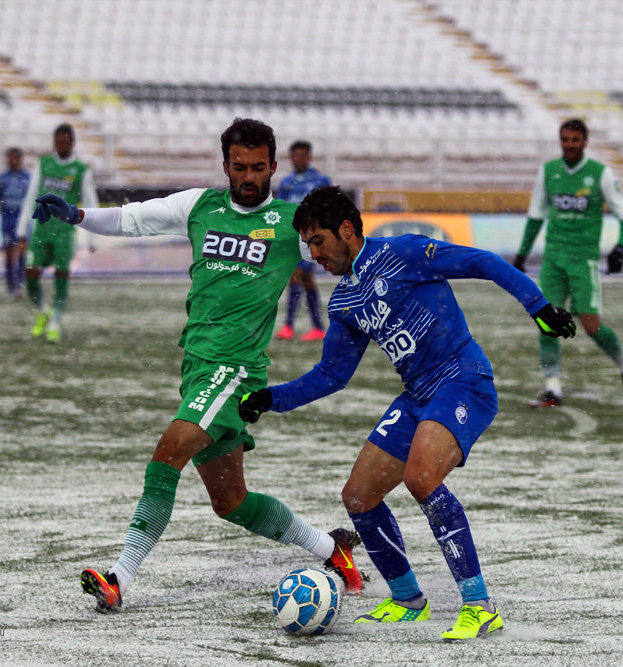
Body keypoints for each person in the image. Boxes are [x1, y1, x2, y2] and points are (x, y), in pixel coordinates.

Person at [31, 118, 363, 613]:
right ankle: (330, 549)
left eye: (257, 167)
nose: (248, 177)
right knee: (231, 503)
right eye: (238, 167)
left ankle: (119, 576)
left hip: (234, 371)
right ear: (225, 165)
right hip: (197, 368)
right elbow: (132, 219)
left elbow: (343, 250)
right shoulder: (199, 206)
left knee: (169, 451)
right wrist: (77, 215)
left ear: (273, 166)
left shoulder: (292, 224)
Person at [237, 186, 576, 640]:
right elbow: (331, 376)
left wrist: (539, 307)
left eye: (318, 241)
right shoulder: (342, 304)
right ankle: (407, 599)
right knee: (358, 497)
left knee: (421, 477)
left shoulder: (405, 252)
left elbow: (483, 262)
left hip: (463, 380)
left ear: (345, 230)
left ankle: (479, 605)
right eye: (307, 245)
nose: (312, 254)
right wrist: (270, 398)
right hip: (417, 396)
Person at [513, 118, 623, 407]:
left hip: (584, 260)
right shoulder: (548, 172)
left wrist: (620, 247)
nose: (569, 145)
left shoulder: (600, 174)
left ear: (585, 142)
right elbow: (536, 214)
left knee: (591, 325)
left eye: (575, 140)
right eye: (565, 140)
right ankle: (553, 388)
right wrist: (522, 253)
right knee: (546, 321)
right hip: (554, 258)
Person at [17, 123, 98, 343]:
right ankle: (44, 310)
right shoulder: (43, 165)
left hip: (65, 232)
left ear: (72, 143)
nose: (60, 146)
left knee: (61, 277)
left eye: (64, 142)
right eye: (57, 142)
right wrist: (22, 232)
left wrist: (93, 236)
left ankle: (54, 324)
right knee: (31, 274)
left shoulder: (81, 170)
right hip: (42, 229)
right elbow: (30, 197)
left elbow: (90, 202)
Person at [274, 140, 331, 342]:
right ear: (291, 158)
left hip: (312, 237)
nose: (299, 159)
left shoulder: (320, 180)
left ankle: (288, 325)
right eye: (295, 156)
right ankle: (318, 327)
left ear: (309, 157)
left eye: (302, 156)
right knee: (306, 280)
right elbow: (281, 208)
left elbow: (328, 206)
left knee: (296, 276)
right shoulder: (287, 182)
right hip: (292, 237)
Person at [0, 146, 30, 298]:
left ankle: (19, 286)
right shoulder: (1, 178)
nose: (13, 161)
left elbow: (34, 199)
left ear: (20, 159)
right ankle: (10, 287)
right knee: (8, 254)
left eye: (16, 158)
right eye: (10, 158)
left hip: (23, 221)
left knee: (22, 252)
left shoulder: (27, 178)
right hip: (7, 220)